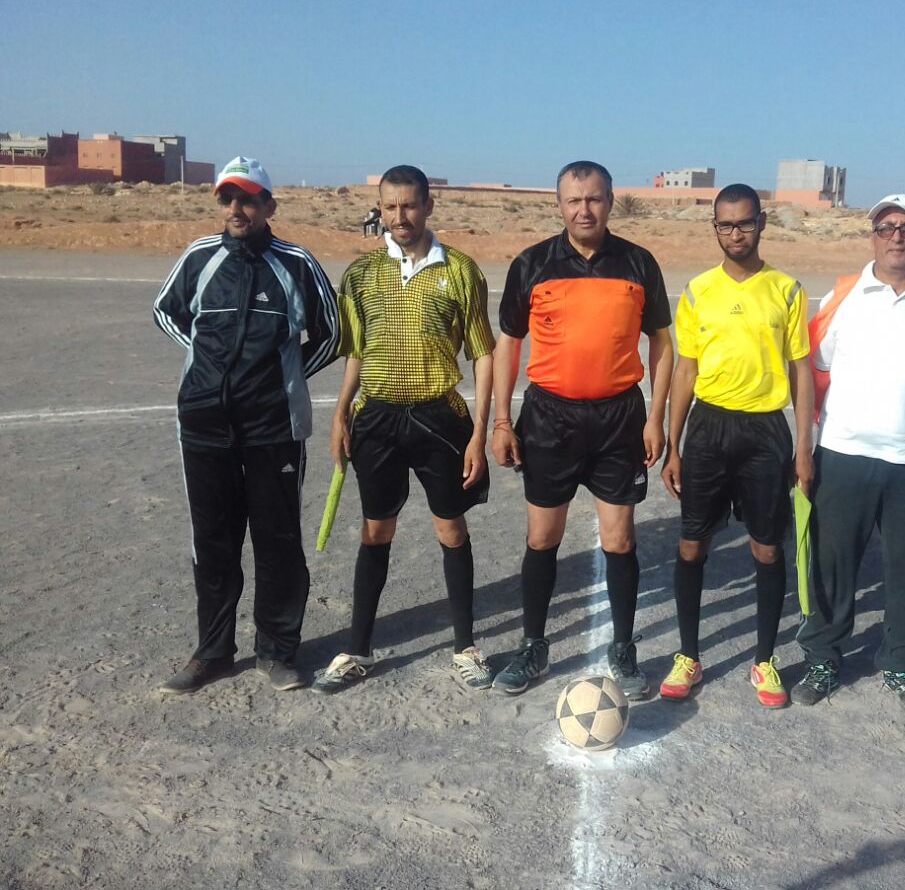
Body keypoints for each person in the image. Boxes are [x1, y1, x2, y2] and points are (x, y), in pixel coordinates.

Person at [153, 156, 338, 694]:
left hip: (273, 426)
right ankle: (212, 653)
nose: (237, 208)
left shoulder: (296, 263)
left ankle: (278, 652)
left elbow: (331, 332)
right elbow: (165, 310)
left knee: (278, 540)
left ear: (269, 206)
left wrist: (283, 378)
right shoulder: (200, 257)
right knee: (212, 541)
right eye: (228, 199)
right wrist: (206, 364)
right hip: (204, 422)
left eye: (249, 199)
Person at [489, 161, 673, 698]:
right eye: (573, 200)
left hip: (619, 420)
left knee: (620, 539)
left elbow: (662, 343)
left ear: (611, 202)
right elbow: (508, 344)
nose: (584, 210)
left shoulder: (638, 262)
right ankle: (533, 646)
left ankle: (623, 648)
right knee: (542, 537)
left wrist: (656, 418)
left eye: (594, 199)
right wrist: (502, 421)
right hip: (550, 419)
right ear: (559, 205)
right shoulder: (532, 264)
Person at [313, 165, 496, 694]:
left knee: (451, 529)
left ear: (428, 205)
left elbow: (482, 355)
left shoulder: (460, 270)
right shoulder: (361, 274)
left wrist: (479, 433)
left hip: (440, 419)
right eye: (390, 207)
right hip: (377, 419)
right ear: (380, 209)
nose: (400, 217)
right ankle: (357, 650)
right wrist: (340, 414)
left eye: (410, 205)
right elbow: (355, 352)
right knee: (375, 530)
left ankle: (466, 648)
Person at [792, 194, 905, 709]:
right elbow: (814, 369)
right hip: (844, 453)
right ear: (871, 236)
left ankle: (903, 663)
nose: (896, 237)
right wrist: (812, 441)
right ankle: (823, 658)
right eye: (886, 227)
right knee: (831, 564)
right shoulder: (843, 295)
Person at [658, 184, 812, 707]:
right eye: (725, 224)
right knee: (692, 544)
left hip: (766, 431)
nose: (736, 233)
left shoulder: (787, 290)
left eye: (745, 222)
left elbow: (801, 370)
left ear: (761, 223)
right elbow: (685, 370)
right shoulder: (698, 291)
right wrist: (673, 445)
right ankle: (688, 655)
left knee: (766, 547)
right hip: (708, 429)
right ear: (715, 228)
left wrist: (804, 446)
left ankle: (764, 661)